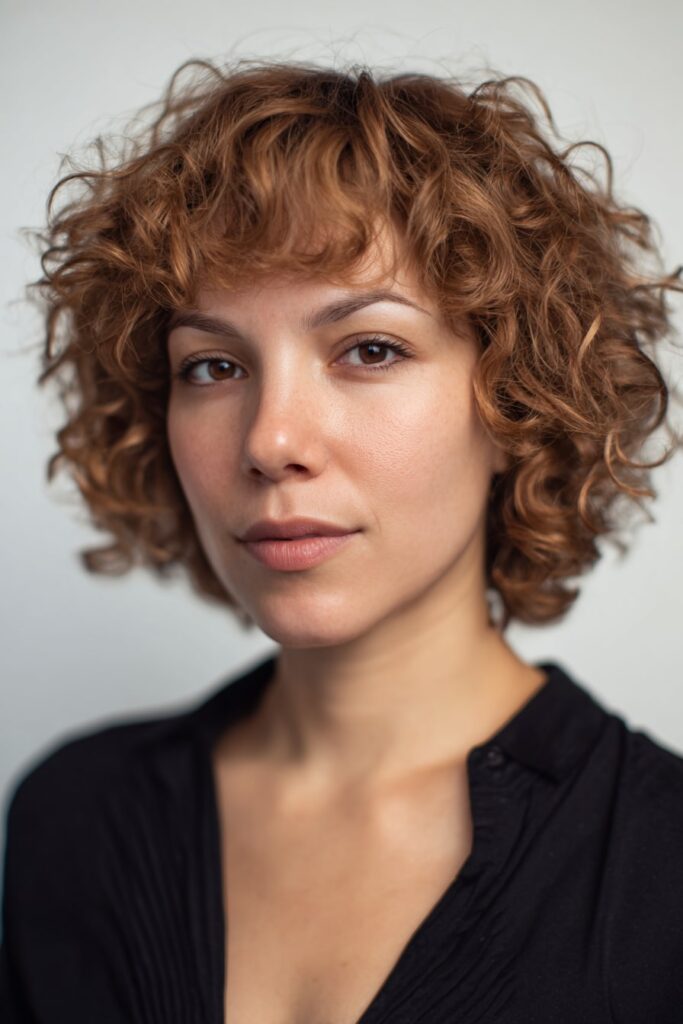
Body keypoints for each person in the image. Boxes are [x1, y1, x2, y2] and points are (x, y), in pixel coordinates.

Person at [1, 56, 682, 1024]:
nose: (270, 440)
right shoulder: (74, 820)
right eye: (212, 365)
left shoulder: (656, 870)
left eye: (369, 348)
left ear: (515, 400)